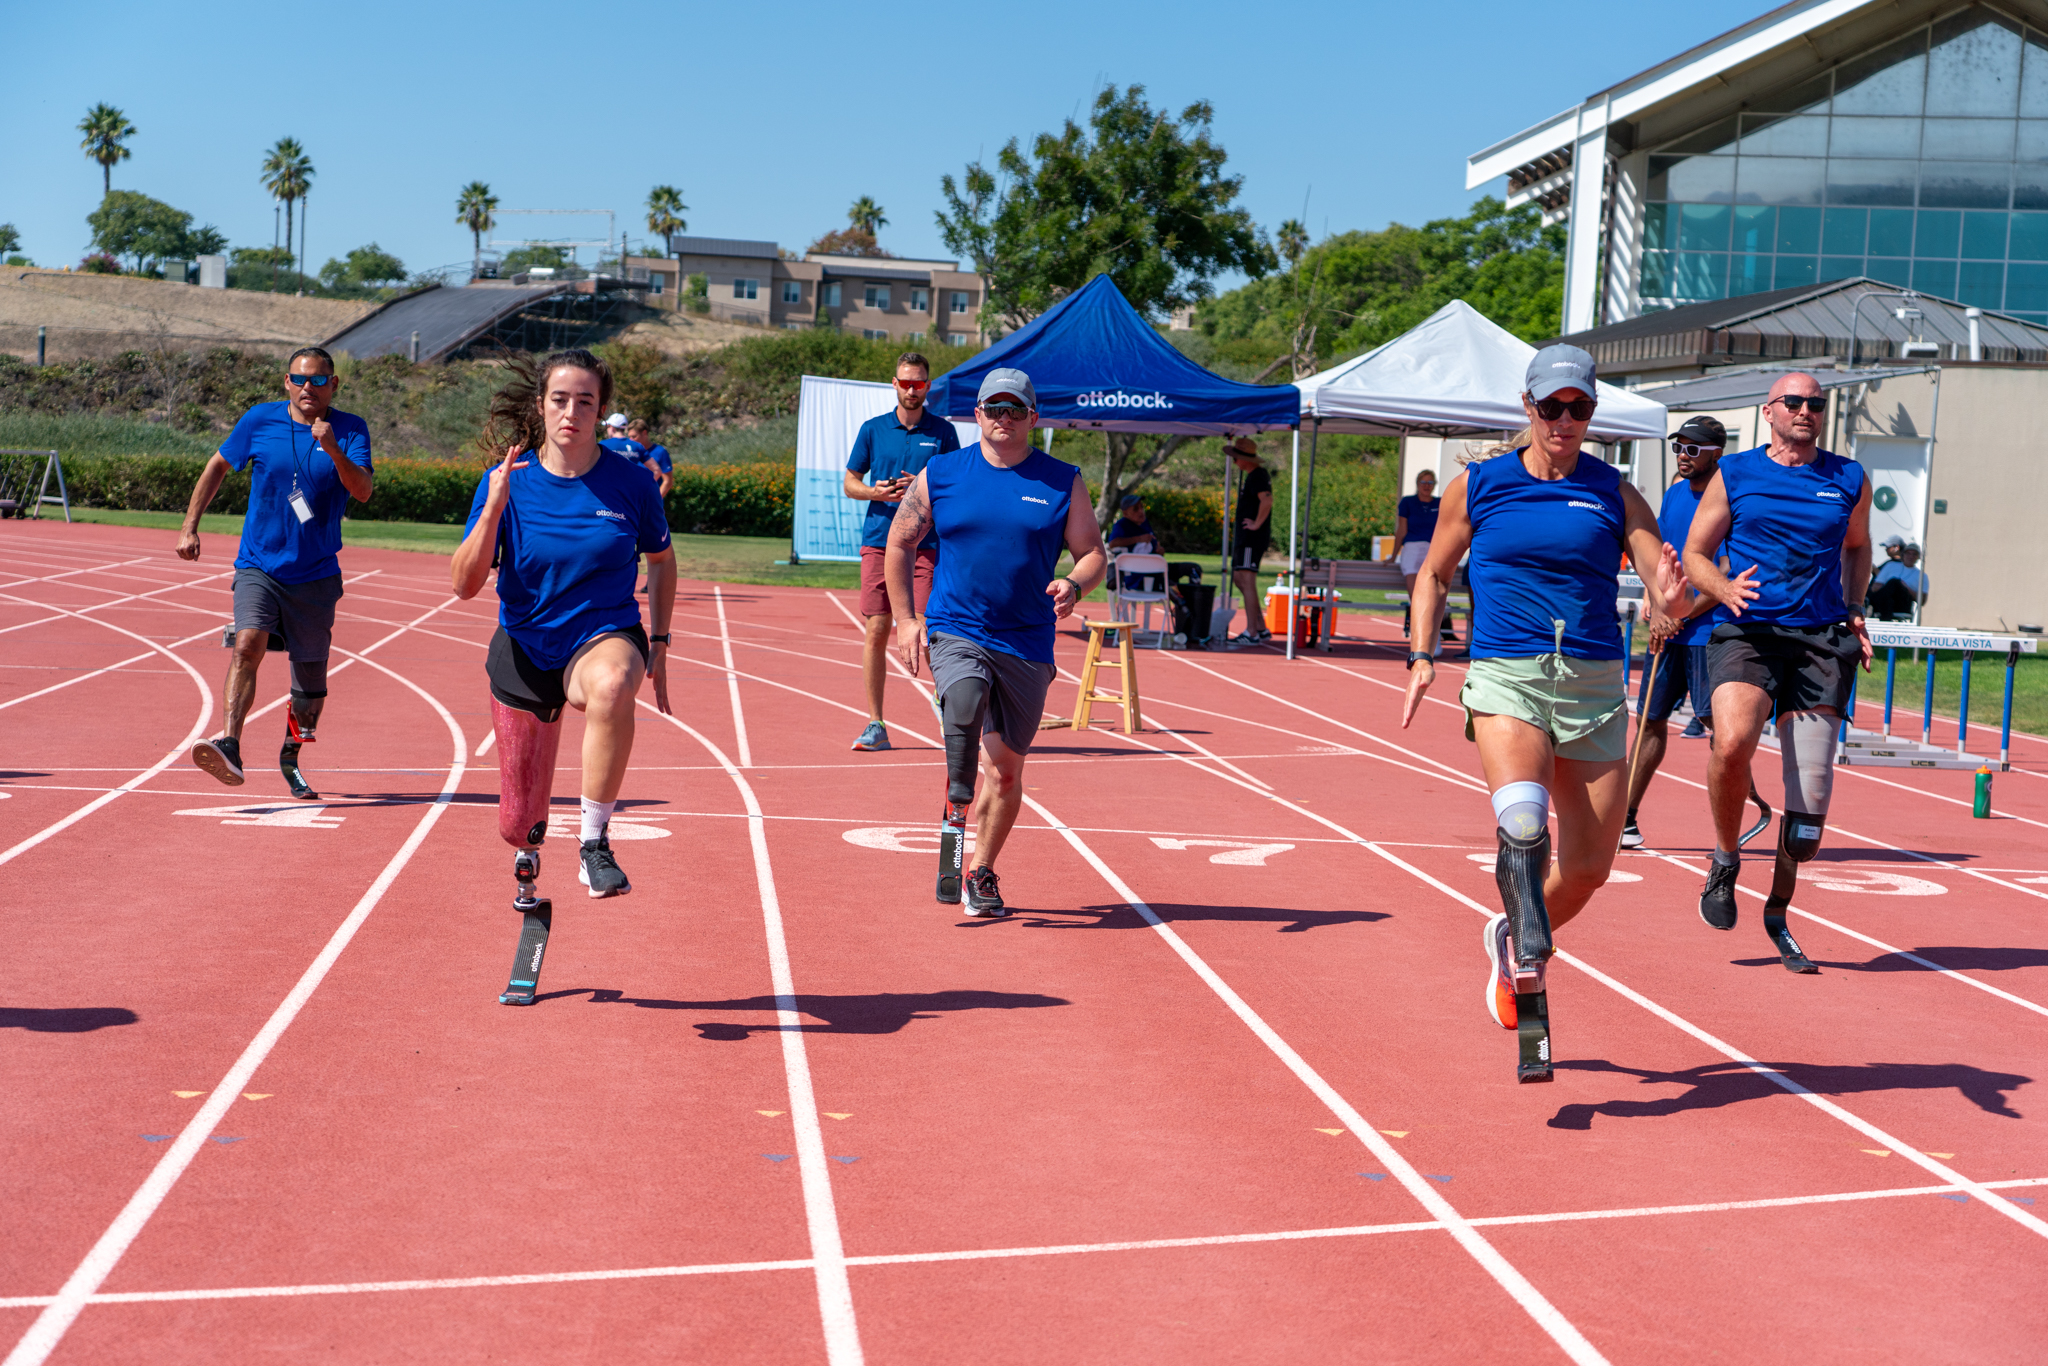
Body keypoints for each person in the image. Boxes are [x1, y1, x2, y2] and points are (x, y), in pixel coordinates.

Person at [1401, 344, 1688, 1082]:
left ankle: (1511, 932)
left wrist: (1670, 599)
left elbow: (1660, 576)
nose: (1565, 420)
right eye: (1552, 406)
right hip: (1508, 673)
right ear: (1527, 407)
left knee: (1591, 866)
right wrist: (1422, 656)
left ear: (1592, 413)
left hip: (1592, 683)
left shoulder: (1614, 491)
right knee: (1523, 822)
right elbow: (1434, 573)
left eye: (1579, 408)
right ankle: (1531, 957)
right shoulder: (1480, 485)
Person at [452, 349, 678, 925]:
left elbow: (662, 559)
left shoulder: (631, 482)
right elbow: (464, 585)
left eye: (586, 401)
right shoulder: (507, 481)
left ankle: (594, 843)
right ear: (540, 406)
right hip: (525, 646)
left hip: (600, 633)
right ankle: (529, 868)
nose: (571, 411)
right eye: (560, 399)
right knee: (517, 824)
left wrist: (660, 642)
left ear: (601, 411)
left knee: (612, 686)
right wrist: (492, 510)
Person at [886, 367, 1107, 917]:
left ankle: (980, 870)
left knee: (1006, 770)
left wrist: (1074, 583)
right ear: (977, 414)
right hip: (957, 626)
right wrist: (907, 621)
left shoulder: (1062, 479)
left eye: (1014, 410)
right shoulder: (941, 473)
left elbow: (1093, 553)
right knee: (962, 701)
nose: (1003, 418)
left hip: (1028, 641)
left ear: (1033, 417)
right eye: (993, 408)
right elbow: (899, 542)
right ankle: (957, 786)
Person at [1682, 372, 1872, 974]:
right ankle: (1724, 856)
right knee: (1732, 741)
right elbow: (1694, 553)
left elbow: (1859, 547)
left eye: (1816, 403)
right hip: (1750, 632)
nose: (1806, 411)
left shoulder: (1848, 477)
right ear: (1769, 411)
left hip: (1820, 639)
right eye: (1794, 402)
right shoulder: (1734, 473)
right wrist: (1722, 587)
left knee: (1807, 806)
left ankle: (1779, 909)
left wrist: (1857, 608)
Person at [176, 346, 374, 800]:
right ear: (286, 382)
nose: (309, 388)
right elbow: (217, 466)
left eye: (320, 380)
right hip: (259, 563)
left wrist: (331, 449)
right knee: (246, 645)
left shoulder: (349, 429)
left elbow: (361, 490)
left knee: (309, 683)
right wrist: (190, 526)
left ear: (334, 385)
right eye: (300, 379)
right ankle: (229, 743)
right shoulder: (259, 420)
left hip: (317, 572)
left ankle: (290, 757)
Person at [1621, 416, 1729, 849]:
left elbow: (1724, 571)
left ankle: (1733, 817)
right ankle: (1625, 819)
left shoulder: (1728, 499)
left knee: (1718, 729)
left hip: (1709, 632)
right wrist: (1654, 595)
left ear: (1716, 452)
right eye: (1678, 448)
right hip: (1671, 629)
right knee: (1649, 720)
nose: (1683, 456)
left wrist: (1679, 614)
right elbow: (1659, 558)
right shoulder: (1672, 494)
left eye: (1693, 449)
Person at [844, 351, 960, 752]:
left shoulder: (944, 433)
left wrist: (925, 487)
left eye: (920, 383)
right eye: (906, 383)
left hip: (925, 544)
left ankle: (944, 700)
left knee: (926, 630)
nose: (912, 390)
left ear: (928, 386)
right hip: (879, 539)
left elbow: (955, 489)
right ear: (894, 384)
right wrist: (873, 491)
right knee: (877, 629)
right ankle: (875, 722)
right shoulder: (873, 429)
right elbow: (850, 481)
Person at [1395, 469, 1454, 642]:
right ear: (1417, 484)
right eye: (1423, 482)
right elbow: (1401, 530)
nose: (1426, 486)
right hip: (1412, 548)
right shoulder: (1408, 502)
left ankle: (1433, 635)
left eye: (1430, 483)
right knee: (1416, 596)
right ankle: (1422, 638)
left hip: (1434, 549)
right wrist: (1392, 556)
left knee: (1434, 592)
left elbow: (1448, 530)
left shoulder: (1441, 502)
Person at [1226, 436, 1273, 645]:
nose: (1235, 462)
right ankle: (1260, 626)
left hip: (1251, 539)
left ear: (1245, 459)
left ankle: (1252, 631)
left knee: (1246, 579)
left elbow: (1267, 500)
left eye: (1237, 458)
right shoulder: (1253, 476)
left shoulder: (1258, 476)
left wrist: (1256, 524)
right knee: (1239, 578)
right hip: (1245, 538)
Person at [1869, 540, 1928, 620]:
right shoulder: (1891, 565)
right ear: (1903, 555)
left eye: (1914, 554)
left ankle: (1886, 617)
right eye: (1908, 553)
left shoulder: (1922, 576)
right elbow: (1875, 587)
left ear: (1918, 557)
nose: (1911, 556)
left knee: (1895, 582)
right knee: (1891, 585)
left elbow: (1922, 601)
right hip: (1883, 600)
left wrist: (1905, 587)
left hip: (1903, 603)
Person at [627, 418, 673, 498]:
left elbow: (668, 481)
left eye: (634, 436)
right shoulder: (630, 452)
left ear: (644, 433)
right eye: (629, 437)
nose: (631, 440)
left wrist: (655, 500)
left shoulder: (660, 452)